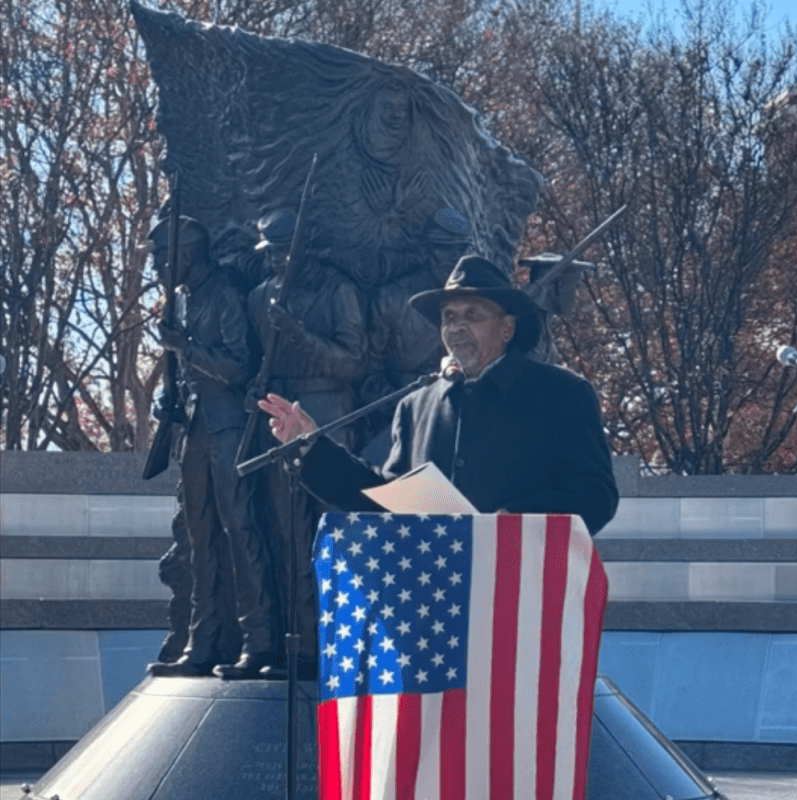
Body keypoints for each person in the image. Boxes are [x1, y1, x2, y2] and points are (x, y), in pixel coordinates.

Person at [258, 254, 619, 536]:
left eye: (473, 314)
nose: (456, 326)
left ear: (507, 328)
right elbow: (388, 499)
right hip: (437, 599)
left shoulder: (562, 394)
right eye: (448, 317)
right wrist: (311, 448)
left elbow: (595, 497)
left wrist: (514, 519)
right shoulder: (416, 406)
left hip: (517, 596)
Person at [146, 217, 278, 679]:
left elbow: (240, 366)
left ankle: (259, 641)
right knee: (199, 539)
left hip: (228, 426)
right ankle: (200, 643)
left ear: (188, 253)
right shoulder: (180, 301)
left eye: (164, 255)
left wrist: (185, 347)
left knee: (240, 530)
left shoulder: (223, 292)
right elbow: (189, 373)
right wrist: (172, 400)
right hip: (197, 430)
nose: (159, 265)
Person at [246, 208, 368, 678]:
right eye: (270, 252)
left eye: (284, 251)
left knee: (333, 533)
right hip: (280, 419)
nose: (276, 261)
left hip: (329, 414)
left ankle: (343, 643)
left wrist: (299, 335)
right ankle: (298, 645)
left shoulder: (339, 292)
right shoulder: (262, 297)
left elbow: (352, 362)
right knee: (289, 533)